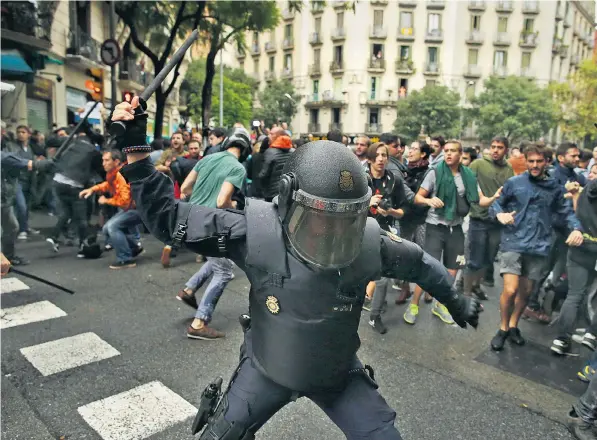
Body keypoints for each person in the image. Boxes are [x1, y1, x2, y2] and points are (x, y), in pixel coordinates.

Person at [111, 98, 481, 440]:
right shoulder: (255, 233)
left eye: (347, 220)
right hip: (267, 368)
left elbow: (422, 265)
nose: (335, 234)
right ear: (288, 202)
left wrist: (456, 301)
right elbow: (169, 219)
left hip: (335, 372)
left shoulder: (370, 244)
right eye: (322, 220)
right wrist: (136, 150)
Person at [488, 143, 583, 351]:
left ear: (547, 162)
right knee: (510, 290)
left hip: (539, 246)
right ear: (526, 161)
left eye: (539, 161)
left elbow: (567, 213)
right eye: (530, 161)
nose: (534, 165)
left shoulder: (555, 188)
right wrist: (499, 214)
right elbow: (496, 204)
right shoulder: (514, 182)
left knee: (526, 293)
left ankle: (514, 325)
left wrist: (576, 229)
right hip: (513, 242)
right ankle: (503, 328)